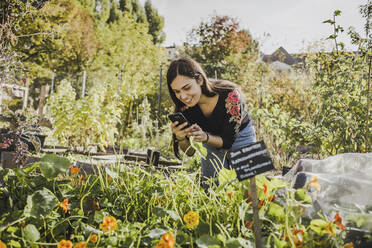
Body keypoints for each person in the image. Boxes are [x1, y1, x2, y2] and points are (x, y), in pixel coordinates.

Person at [166, 57, 256, 188]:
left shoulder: (231, 94)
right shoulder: (184, 107)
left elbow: (228, 141)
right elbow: (190, 153)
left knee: (251, 191)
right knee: (211, 189)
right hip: (209, 141)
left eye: (187, 88)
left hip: (242, 137)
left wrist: (205, 137)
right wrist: (181, 138)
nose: (183, 96)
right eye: (177, 91)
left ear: (200, 80)